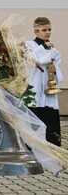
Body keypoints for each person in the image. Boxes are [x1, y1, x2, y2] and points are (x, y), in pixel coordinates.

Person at [26, 17, 63, 146]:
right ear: (36, 32)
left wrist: (54, 70)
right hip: (34, 87)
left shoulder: (54, 51)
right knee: (35, 116)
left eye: (49, 30)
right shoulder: (29, 45)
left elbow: (57, 68)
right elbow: (33, 59)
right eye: (43, 30)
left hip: (47, 90)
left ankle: (52, 145)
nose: (47, 32)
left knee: (50, 119)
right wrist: (43, 46)